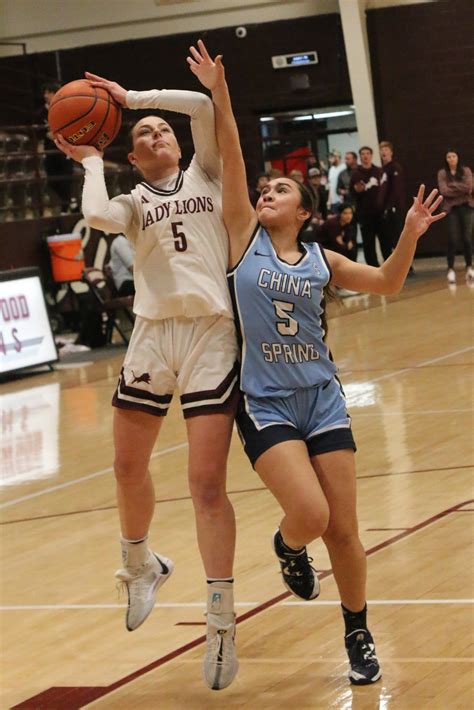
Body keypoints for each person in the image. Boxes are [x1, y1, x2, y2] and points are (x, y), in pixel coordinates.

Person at [188, 39, 445, 686]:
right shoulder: (242, 237)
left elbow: (387, 284)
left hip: (323, 397)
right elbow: (236, 157)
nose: (267, 193)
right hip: (266, 402)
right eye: (266, 188)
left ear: (304, 211)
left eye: (282, 190)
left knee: (347, 531)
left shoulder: (323, 261)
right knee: (311, 516)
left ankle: (358, 631)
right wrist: (220, 92)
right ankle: (286, 544)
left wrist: (411, 236)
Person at [55, 72, 239, 691]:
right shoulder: (133, 201)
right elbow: (96, 215)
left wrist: (134, 101)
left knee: (206, 484)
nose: (157, 134)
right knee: (126, 466)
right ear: (131, 157)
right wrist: (89, 162)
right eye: (143, 134)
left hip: (212, 332)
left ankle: (220, 622)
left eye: (164, 131)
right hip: (153, 333)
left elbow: (205, 105)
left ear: (181, 146)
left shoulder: (206, 175)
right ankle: (140, 563)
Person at [37, 82, 74, 214]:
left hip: (65, 149)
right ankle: (71, 202)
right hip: (50, 150)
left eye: (49, 92)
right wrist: (47, 135)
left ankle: (66, 208)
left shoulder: (65, 109)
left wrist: (60, 134)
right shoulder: (41, 113)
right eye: (45, 93)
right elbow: (38, 132)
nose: (46, 95)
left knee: (66, 179)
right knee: (52, 180)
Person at [437, 150, 474, 284]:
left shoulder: (466, 171)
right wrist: (460, 188)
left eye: (453, 156)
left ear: (458, 158)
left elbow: (469, 187)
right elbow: (443, 190)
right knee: (453, 238)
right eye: (449, 157)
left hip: (467, 206)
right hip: (451, 208)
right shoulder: (442, 173)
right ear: (446, 159)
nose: (451, 159)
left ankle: (469, 267)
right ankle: (450, 269)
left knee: (467, 238)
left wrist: (453, 186)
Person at [350, 147, 387, 267]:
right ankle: (373, 268)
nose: (365, 156)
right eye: (363, 154)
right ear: (360, 156)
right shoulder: (356, 173)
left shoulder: (379, 171)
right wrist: (356, 190)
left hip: (380, 212)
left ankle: (389, 266)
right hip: (364, 214)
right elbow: (351, 192)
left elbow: (385, 189)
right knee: (368, 243)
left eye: (367, 153)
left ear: (371, 155)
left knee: (385, 241)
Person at [378, 141, 411, 272]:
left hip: (395, 209)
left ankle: (407, 267)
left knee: (398, 238)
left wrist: (390, 206)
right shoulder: (381, 170)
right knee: (388, 239)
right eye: (381, 149)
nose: (384, 152)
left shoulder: (395, 167)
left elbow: (396, 189)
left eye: (386, 149)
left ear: (391, 152)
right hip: (385, 210)